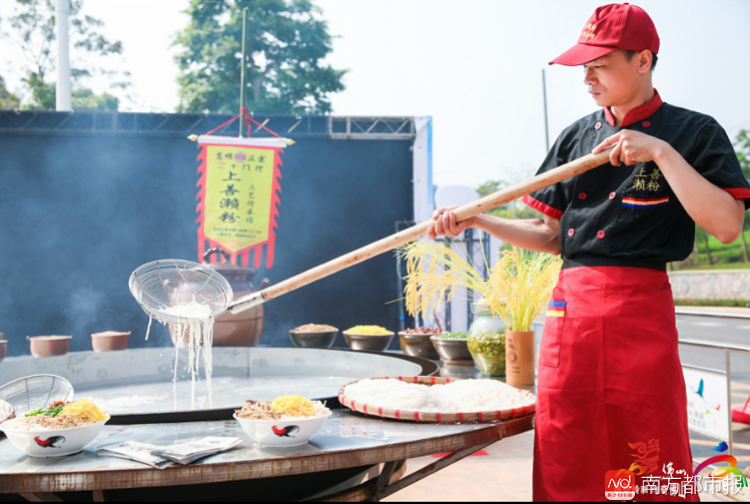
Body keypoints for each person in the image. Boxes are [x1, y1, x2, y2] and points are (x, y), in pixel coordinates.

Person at [428, 3, 750, 501]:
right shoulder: (577, 138)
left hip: (639, 308)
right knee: (566, 439)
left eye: (600, 65)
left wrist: (659, 152)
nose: (588, 78)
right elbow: (551, 235)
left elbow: (728, 225)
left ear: (642, 61)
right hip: (570, 312)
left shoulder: (694, 133)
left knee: (647, 443)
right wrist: (479, 220)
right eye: (584, 68)